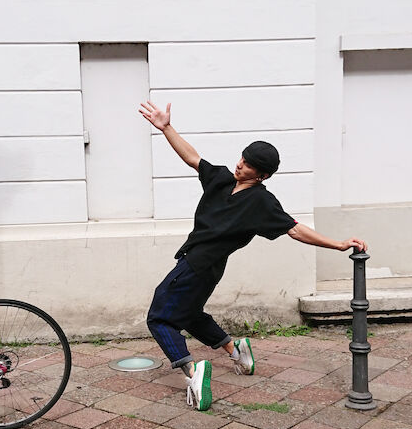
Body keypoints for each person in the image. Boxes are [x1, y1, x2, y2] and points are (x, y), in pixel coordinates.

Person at [139, 100, 367, 412]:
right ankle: (236, 351)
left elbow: (295, 229)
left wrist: (339, 244)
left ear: (261, 175)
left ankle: (193, 373)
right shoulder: (221, 179)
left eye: (247, 165)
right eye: (241, 159)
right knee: (190, 314)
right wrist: (166, 128)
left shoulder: (262, 202)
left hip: (198, 265)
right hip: (203, 264)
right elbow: (193, 158)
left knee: (159, 316)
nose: (239, 166)